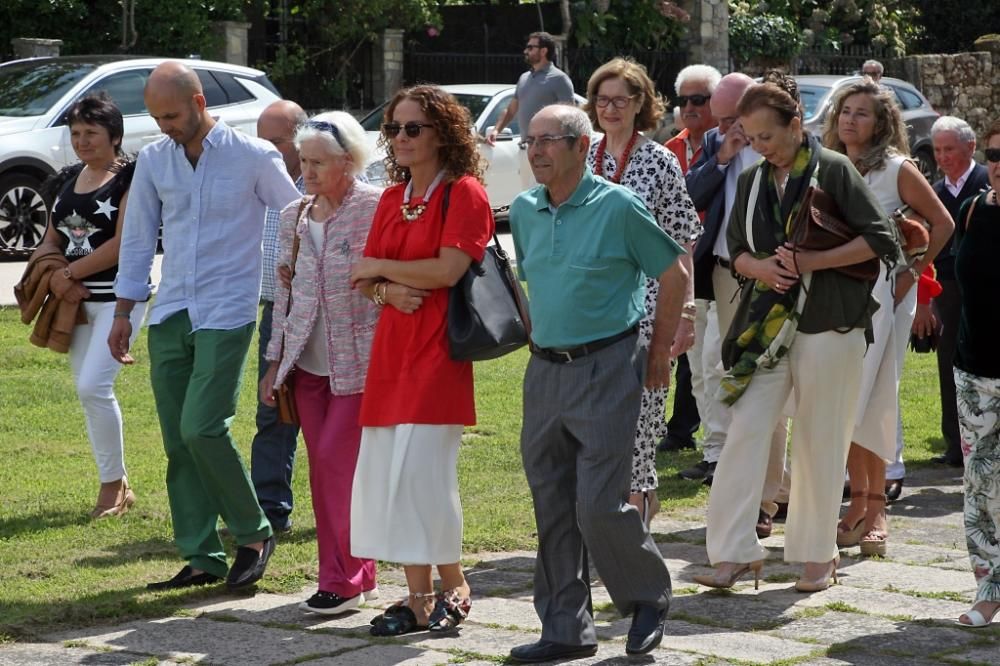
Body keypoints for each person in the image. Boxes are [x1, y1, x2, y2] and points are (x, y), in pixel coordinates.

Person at [692, 77, 898, 593]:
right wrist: (762, 270)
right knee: (745, 427)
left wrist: (813, 260)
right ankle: (736, 552)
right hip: (768, 326)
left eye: (768, 135)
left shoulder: (833, 168)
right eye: (751, 137)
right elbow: (736, 247)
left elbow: (881, 239)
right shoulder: (755, 180)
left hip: (832, 320)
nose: (761, 146)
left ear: (795, 124)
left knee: (820, 437)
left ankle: (815, 555)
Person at [109, 62, 300, 591]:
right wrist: (125, 311)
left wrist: (292, 284)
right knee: (177, 440)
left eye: (170, 114)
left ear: (197, 103)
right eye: (154, 116)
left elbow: (297, 219)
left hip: (227, 312)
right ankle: (201, 557)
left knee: (202, 427)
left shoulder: (254, 155)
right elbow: (139, 239)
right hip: (170, 312)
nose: (163, 125)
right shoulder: (152, 159)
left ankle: (254, 533)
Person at [508, 104, 687, 663]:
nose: (535, 151)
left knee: (598, 506)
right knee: (551, 504)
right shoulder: (524, 208)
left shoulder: (619, 205)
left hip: (609, 366)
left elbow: (675, 273)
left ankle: (647, 597)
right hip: (544, 373)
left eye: (548, 141)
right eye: (528, 141)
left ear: (581, 146)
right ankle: (565, 629)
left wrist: (658, 350)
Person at [348, 85, 494, 637]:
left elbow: (448, 270)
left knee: (423, 477)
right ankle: (416, 597)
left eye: (414, 128)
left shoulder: (466, 193)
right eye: (394, 129)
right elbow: (363, 282)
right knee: (391, 477)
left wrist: (381, 268)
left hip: (439, 353)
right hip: (392, 353)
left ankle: (453, 584)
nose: (401, 138)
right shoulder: (390, 198)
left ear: (443, 133)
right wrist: (386, 291)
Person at [823, 80, 953, 556]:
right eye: (845, 110)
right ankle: (858, 502)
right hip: (837, 294)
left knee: (873, 395)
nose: (850, 120)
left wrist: (911, 275)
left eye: (862, 113)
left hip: (886, 293)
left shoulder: (896, 167)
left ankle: (874, 508)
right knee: (847, 398)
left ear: (881, 124)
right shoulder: (829, 165)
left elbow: (942, 223)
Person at [258, 113, 381, 615]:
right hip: (305, 368)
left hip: (360, 364)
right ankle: (352, 575)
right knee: (323, 471)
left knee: (335, 466)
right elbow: (284, 298)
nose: (306, 171)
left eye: (318, 163)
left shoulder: (374, 208)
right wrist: (273, 363)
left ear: (348, 162)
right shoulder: (293, 214)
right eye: (303, 161)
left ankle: (345, 579)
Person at [583, 57, 700, 525]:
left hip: (650, 304)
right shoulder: (579, 154)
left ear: (640, 104)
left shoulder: (658, 159)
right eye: (602, 99)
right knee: (593, 416)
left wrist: (686, 314)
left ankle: (637, 507)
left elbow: (682, 238)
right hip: (589, 307)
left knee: (642, 412)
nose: (610, 108)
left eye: (621, 99)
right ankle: (602, 514)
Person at [24, 93, 146, 519]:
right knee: (91, 394)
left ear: (115, 135)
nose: (81, 141)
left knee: (93, 387)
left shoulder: (131, 179)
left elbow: (123, 243)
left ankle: (113, 486)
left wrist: (69, 275)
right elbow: (52, 237)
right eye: (76, 133)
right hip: (74, 304)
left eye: (91, 133)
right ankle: (118, 484)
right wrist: (54, 270)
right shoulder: (69, 178)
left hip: (119, 299)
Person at [683, 72, 789, 539]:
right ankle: (761, 494)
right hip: (728, 272)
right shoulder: (715, 140)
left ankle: (770, 495)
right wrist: (721, 157)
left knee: (771, 381)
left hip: (781, 275)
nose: (728, 126)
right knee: (737, 380)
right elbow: (687, 198)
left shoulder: (784, 142)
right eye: (721, 118)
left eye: (734, 119)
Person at [952, 119, 1000, 628]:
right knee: (980, 487)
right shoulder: (971, 210)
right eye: (994, 155)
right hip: (973, 370)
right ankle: (988, 588)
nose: (999, 165)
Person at [251, 100, 307, 534]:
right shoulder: (258, 181)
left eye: (276, 141)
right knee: (272, 409)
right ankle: (270, 510)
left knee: (339, 413)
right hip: (277, 311)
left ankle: (350, 510)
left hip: (328, 313)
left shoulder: (334, 178)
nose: (267, 149)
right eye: (262, 140)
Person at [660, 63, 721, 453]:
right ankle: (684, 431)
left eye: (699, 100)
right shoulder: (671, 149)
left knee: (704, 357)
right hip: (676, 259)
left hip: (711, 258)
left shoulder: (723, 147)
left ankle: (688, 431)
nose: (690, 107)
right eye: (684, 100)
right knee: (685, 353)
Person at [928, 116, 989, 467]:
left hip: (982, 284)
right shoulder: (935, 192)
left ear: (970, 146)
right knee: (949, 359)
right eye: (937, 150)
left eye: (949, 148)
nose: (943, 156)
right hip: (947, 286)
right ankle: (955, 444)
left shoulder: (986, 182)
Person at [485, 31, 574, 188]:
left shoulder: (559, 79)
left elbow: (570, 117)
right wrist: (496, 130)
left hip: (549, 150)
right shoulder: (524, 78)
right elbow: (512, 109)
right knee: (528, 194)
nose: (526, 51)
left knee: (549, 193)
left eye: (530, 47)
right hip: (525, 148)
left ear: (544, 51)